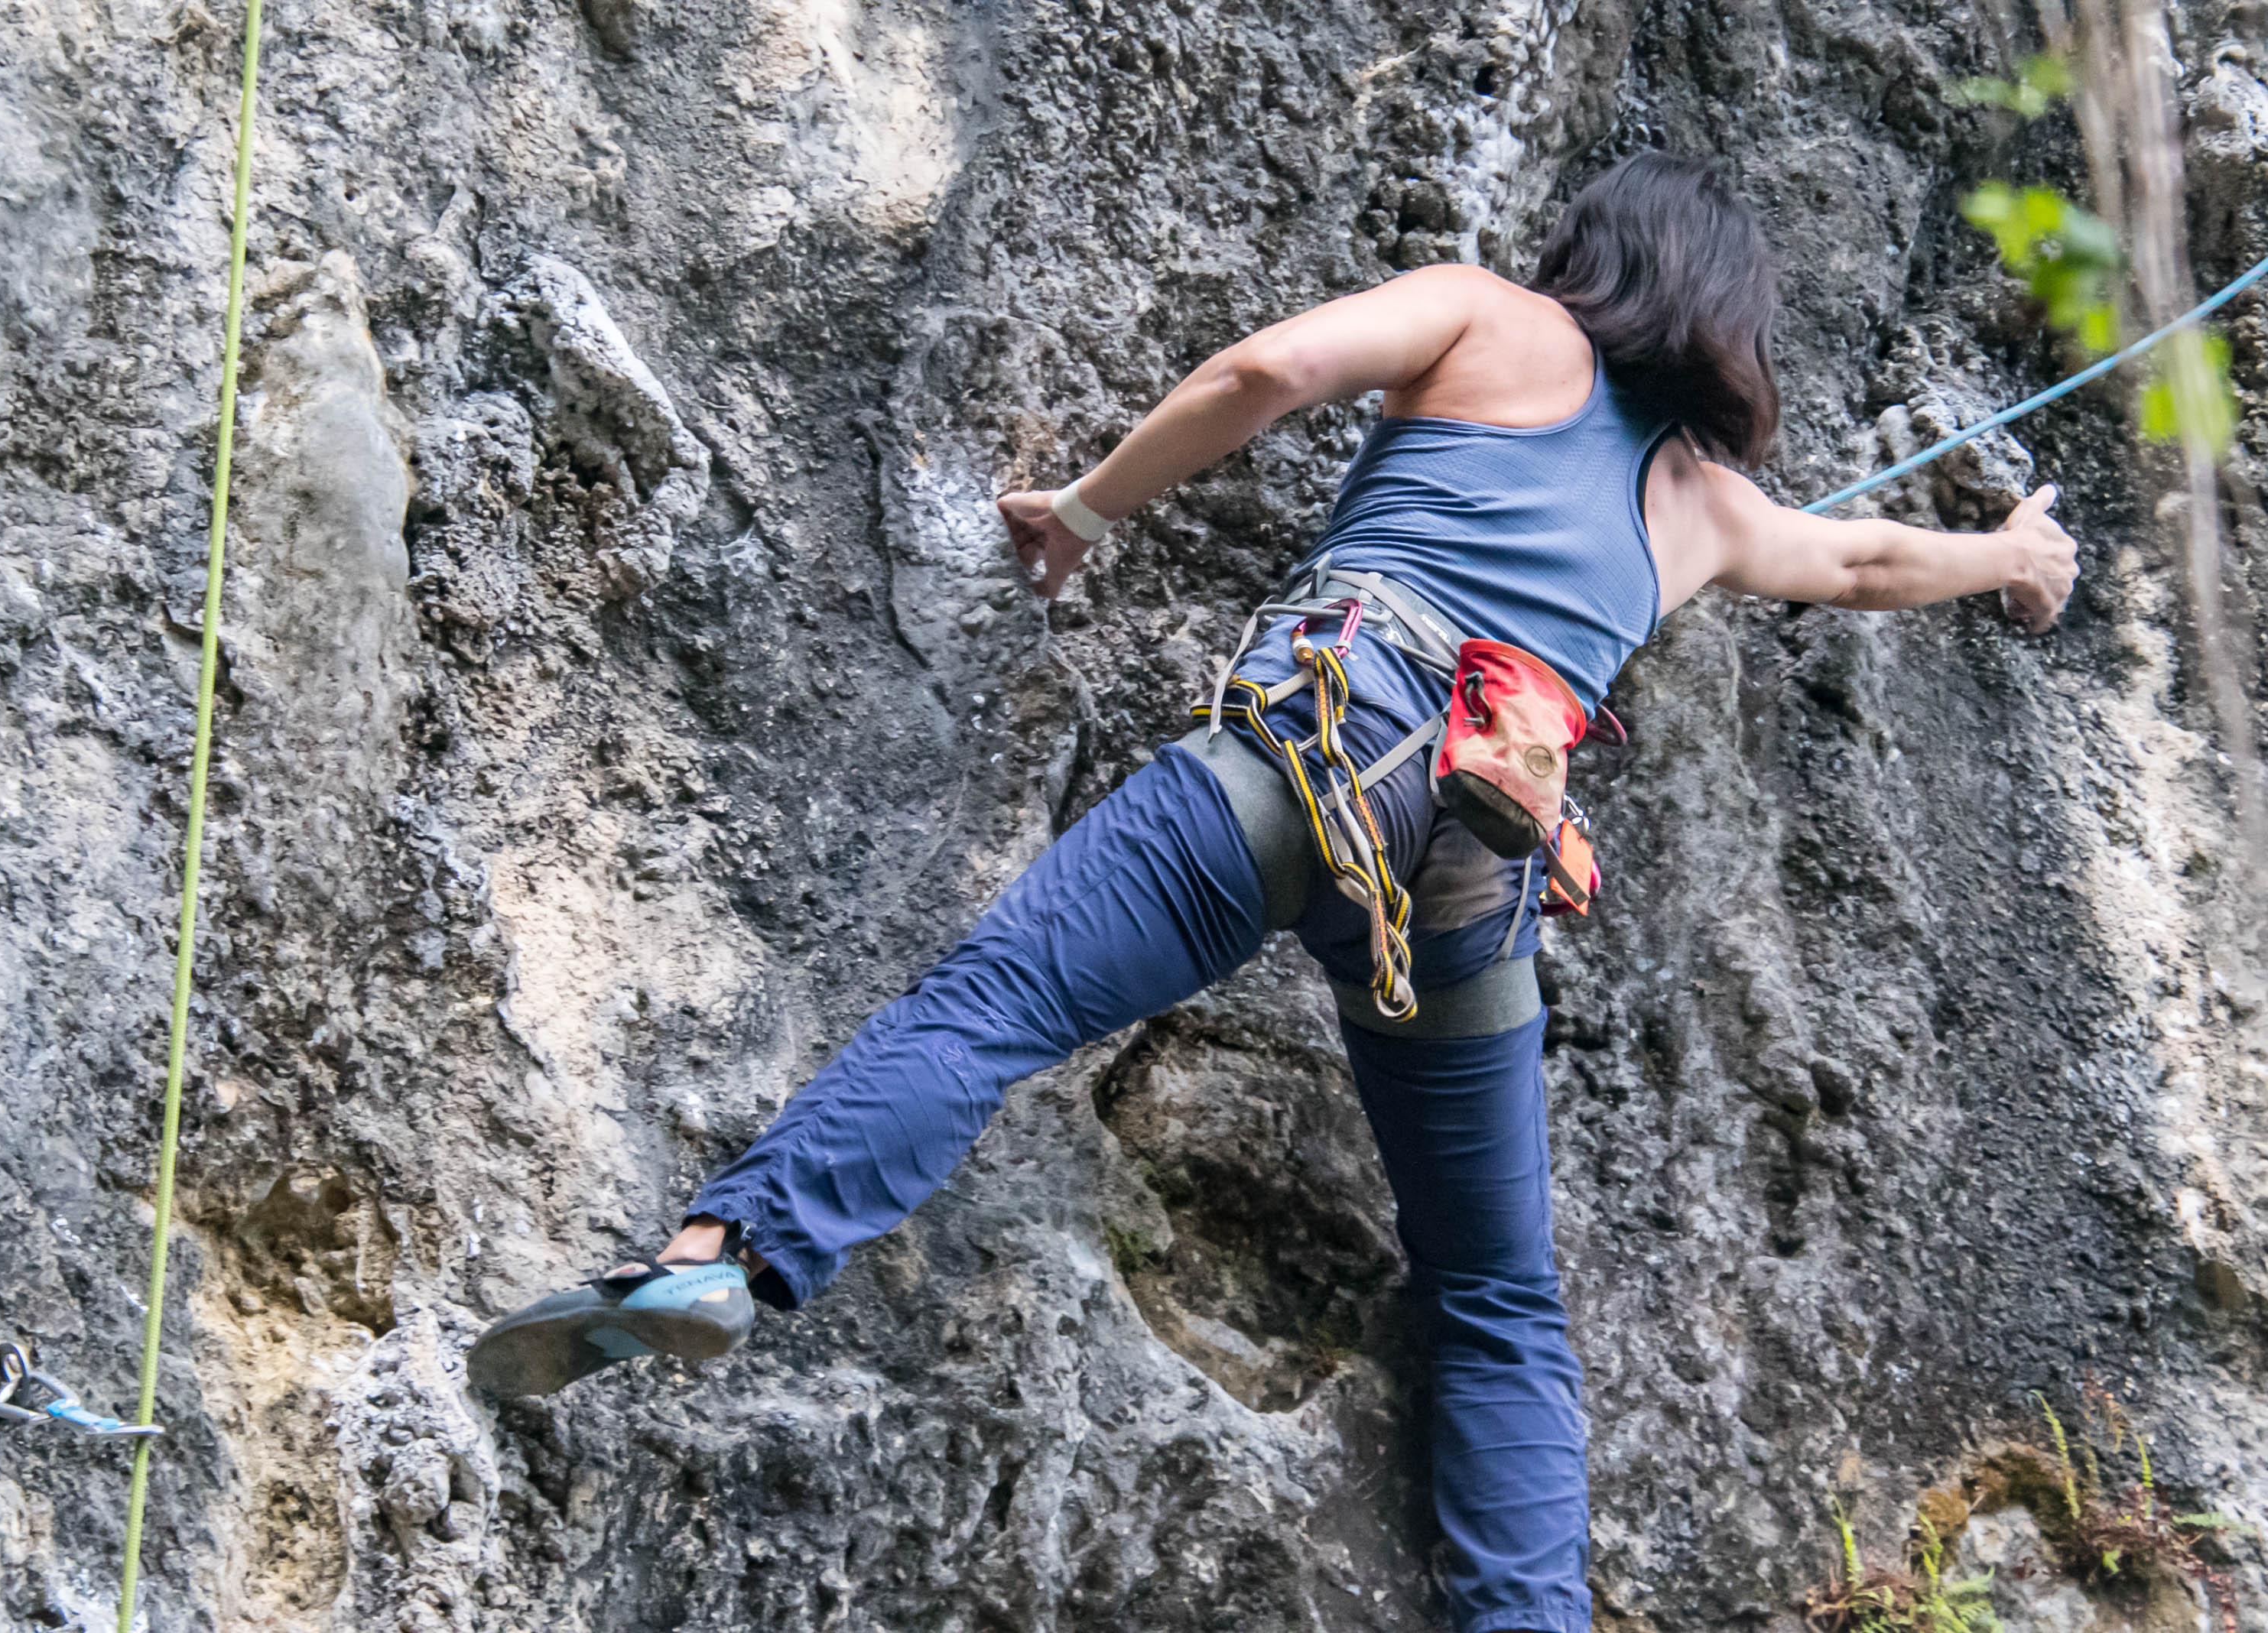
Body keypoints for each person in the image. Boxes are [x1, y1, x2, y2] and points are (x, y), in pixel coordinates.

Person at [466, 151, 2079, 1633]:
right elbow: (1866, 563)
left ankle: (722, 1260)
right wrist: (2010, 557)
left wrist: (1084, 510)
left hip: (1306, 757)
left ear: (1594, 257)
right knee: (1496, 1286)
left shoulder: (1490, 319)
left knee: (995, 1006)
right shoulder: (1712, 512)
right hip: (1469, 855)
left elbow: (1265, 373)